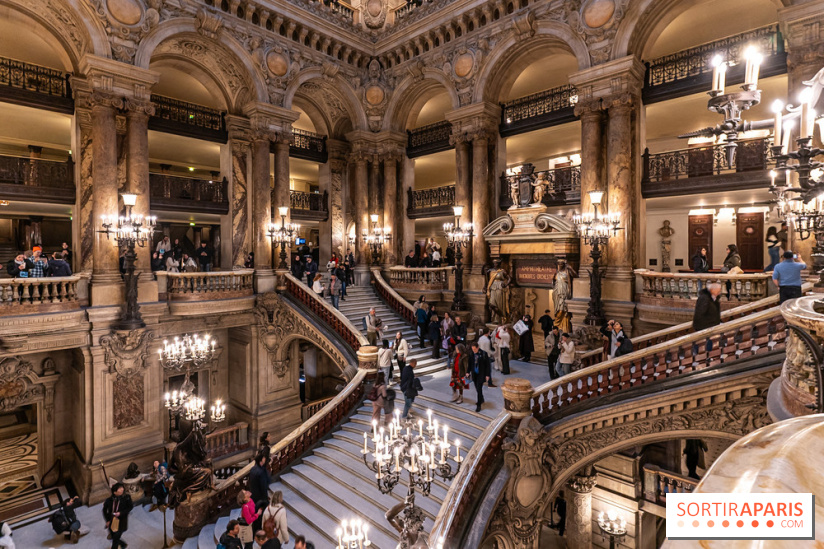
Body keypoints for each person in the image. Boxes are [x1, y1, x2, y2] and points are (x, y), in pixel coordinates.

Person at [103, 482, 133, 549]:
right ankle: (123, 544)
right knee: (113, 535)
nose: (122, 489)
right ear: (114, 492)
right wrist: (107, 520)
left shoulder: (126, 498)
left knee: (116, 538)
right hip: (112, 520)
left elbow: (130, 507)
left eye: (122, 487)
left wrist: (121, 513)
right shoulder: (109, 500)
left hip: (122, 520)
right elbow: (104, 510)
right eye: (119, 488)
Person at [468, 342, 491, 412]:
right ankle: (482, 398)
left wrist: (487, 375)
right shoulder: (471, 354)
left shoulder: (484, 354)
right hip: (474, 374)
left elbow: (488, 365)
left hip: (481, 374)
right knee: (477, 388)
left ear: (478, 347)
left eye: (475, 349)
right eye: (472, 349)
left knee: (479, 388)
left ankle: (479, 405)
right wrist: (467, 372)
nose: (474, 351)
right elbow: (470, 363)